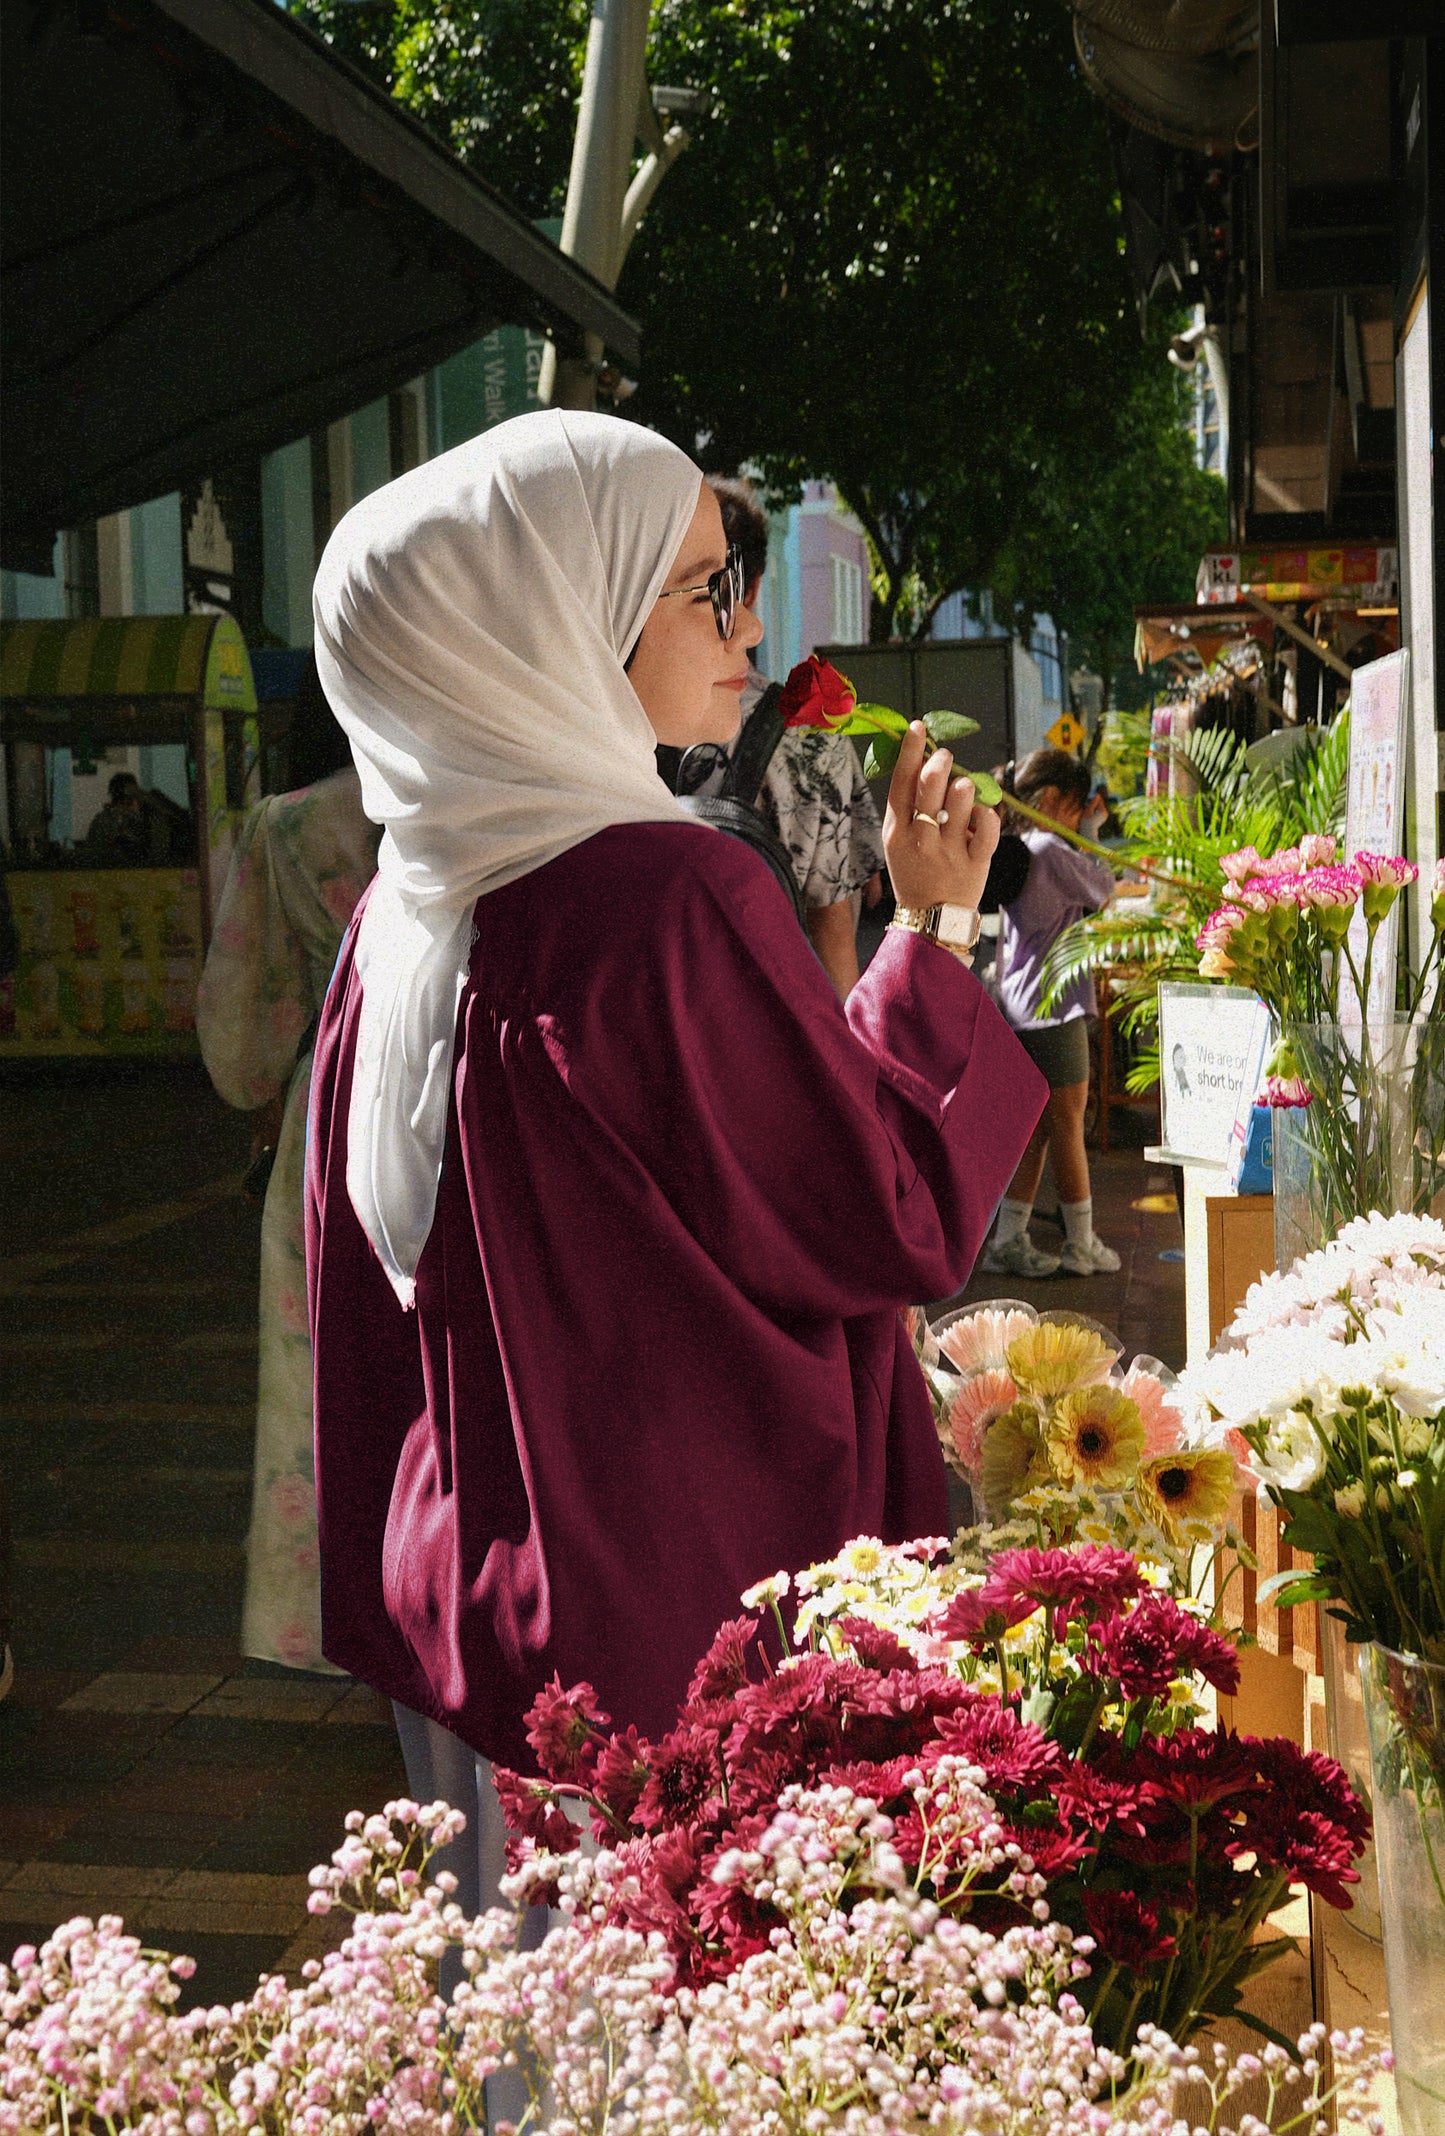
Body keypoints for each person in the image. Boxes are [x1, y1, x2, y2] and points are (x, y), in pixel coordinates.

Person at [304, 410, 1047, 1935]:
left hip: (476, 1618)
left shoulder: (401, 914)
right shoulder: (657, 896)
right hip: (681, 1637)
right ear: (560, 623)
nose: (751, 629)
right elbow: (880, 1207)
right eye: (707, 588)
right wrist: (933, 929)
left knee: (517, 2004)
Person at [196, 658, 379, 1671]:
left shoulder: (286, 828)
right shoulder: (473, 787)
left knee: (323, 1369)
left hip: (337, 1103)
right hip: (473, 1086)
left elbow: (244, 1031)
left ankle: (334, 1612)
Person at [675, 476, 884, 998]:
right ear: (751, 589)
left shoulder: (592, 725)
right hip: (761, 1023)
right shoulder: (811, 738)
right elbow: (833, 927)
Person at [981, 746, 1117, 1279]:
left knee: (1038, 1127)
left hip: (1022, 1001)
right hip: (1052, 1006)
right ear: (1057, 800)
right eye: (1080, 808)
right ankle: (1081, 1243)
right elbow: (1104, 888)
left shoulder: (1025, 848)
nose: (1082, 818)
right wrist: (1095, 835)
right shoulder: (1052, 851)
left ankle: (1008, 1239)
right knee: (1067, 1123)